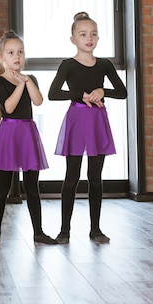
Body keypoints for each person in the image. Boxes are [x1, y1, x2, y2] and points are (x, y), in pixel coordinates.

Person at [48, 12, 127, 244]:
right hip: (76, 120)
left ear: (98, 38)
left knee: (95, 177)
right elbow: (53, 94)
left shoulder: (104, 65)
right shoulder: (68, 65)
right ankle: (64, 230)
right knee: (71, 176)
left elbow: (122, 92)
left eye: (93, 34)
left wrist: (103, 91)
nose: (88, 38)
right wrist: (80, 95)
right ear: (73, 38)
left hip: (97, 121)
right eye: (83, 34)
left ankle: (96, 229)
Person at [0, 30, 57, 247]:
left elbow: (38, 101)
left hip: (27, 134)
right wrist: (19, 85)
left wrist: (27, 81)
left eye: (20, 52)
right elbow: (8, 107)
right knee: (3, 187)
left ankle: (38, 232)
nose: (17, 56)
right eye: (11, 53)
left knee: (32, 186)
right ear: (1, 58)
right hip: (8, 134)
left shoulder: (29, 78)